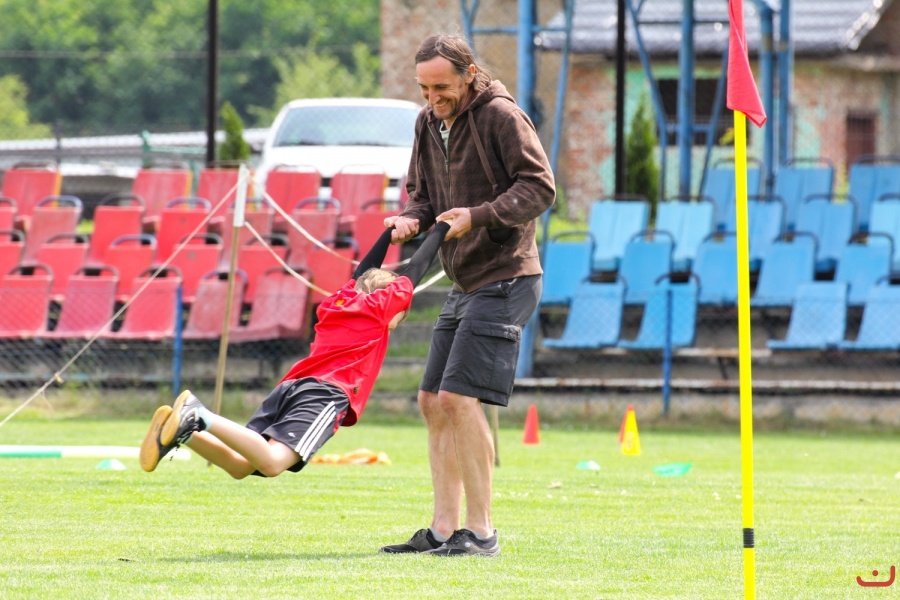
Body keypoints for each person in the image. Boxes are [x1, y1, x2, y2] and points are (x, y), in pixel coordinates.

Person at [379, 33, 556, 557]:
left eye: (442, 87)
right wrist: (410, 220)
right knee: (432, 401)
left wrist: (478, 216)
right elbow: (422, 196)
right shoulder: (426, 123)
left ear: (469, 73)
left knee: (458, 398)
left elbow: (540, 187)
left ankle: (481, 533)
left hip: (507, 275)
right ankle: (442, 530)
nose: (433, 98)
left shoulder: (501, 116)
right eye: (424, 88)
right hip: (465, 280)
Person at [138, 221, 451, 477]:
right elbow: (415, 270)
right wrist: (441, 229)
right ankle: (199, 415)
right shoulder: (378, 309)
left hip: (291, 387)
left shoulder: (338, 302)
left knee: (242, 465)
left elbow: (362, 272)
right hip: (327, 393)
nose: (398, 319)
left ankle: (181, 430)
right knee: (273, 463)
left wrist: (388, 233)